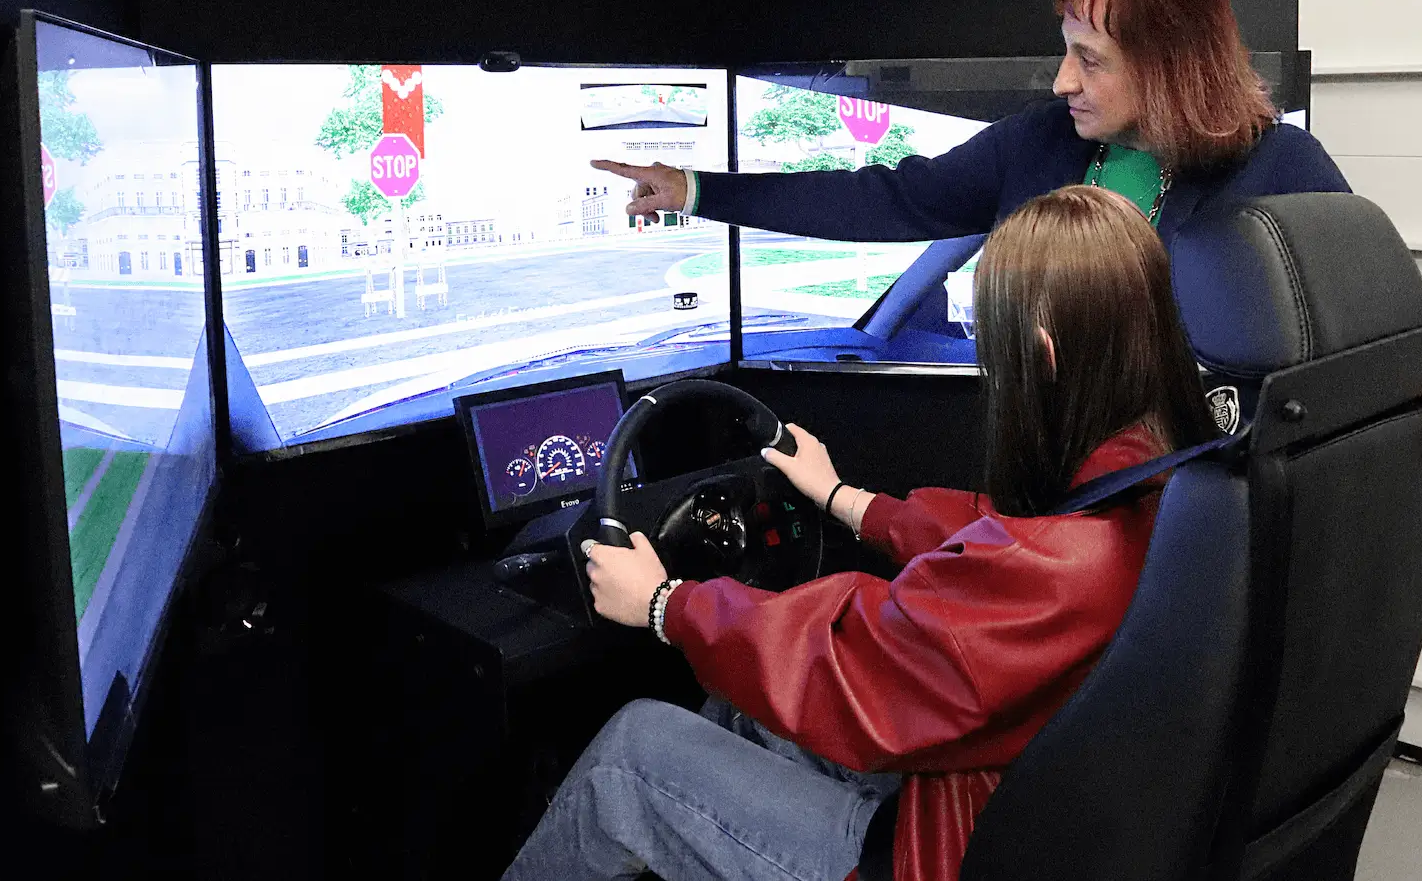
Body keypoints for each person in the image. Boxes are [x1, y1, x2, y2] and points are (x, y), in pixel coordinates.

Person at [503, 187, 1223, 881]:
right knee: (740, 709)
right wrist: (844, 498)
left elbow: (846, 664)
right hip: (1016, 806)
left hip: (938, 854)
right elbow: (997, 537)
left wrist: (666, 603)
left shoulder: (1061, 565)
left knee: (627, 757)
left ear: (1043, 355)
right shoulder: (1170, 481)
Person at [593, 0, 1422, 465]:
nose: (1062, 81)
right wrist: (696, 188)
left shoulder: (1282, 166)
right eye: (1066, 51)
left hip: (1193, 512)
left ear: (1169, 67)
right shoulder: (1043, 143)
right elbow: (888, 201)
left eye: (1090, 60)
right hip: (1059, 498)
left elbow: (1367, 333)